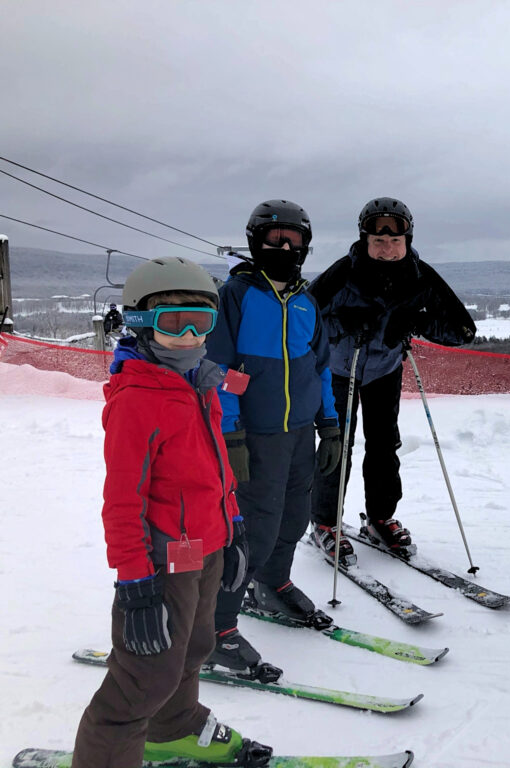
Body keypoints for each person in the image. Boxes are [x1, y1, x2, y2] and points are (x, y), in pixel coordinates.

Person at [72, 256, 267, 767]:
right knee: (144, 676)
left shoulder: (200, 383)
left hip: (206, 548)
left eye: (199, 323)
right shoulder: (138, 398)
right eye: (171, 323)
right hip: (160, 563)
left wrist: (235, 527)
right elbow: (121, 502)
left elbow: (214, 468)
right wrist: (135, 585)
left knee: (195, 645)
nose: (188, 338)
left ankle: (174, 725)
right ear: (139, 324)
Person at [204, 199, 342, 674]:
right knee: (254, 529)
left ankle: (273, 583)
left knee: (294, 516)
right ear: (254, 243)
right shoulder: (238, 296)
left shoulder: (306, 300)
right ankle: (218, 626)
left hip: (301, 431)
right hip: (255, 434)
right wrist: (231, 433)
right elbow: (219, 368)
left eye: (294, 240)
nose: (284, 247)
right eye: (274, 239)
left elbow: (320, 367)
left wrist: (330, 424)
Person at [309, 197, 475, 563]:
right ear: (365, 239)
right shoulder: (343, 273)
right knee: (338, 444)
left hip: (384, 371)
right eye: (378, 241)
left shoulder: (420, 276)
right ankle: (323, 522)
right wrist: (342, 324)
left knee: (384, 446)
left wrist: (414, 322)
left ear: (407, 240)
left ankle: (380, 517)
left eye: (395, 242)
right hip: (341, 370)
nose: (387, 249)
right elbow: (304, 318)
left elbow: (462, 330)